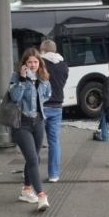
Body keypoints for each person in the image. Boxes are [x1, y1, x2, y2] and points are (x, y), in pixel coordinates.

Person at [9, 48, 52, 211]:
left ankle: (26, 190)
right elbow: (15, 97)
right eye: (29, 62)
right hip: (22, 123)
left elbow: (48, 94)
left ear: (39, 62)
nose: (33, 65)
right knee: (33, 159)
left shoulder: (43, 77)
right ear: (24, 63)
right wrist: (22, 79)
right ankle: (41, 196)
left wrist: (38, 104)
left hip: (38, 121)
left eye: (35, 61)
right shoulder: (16, 77)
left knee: (35, 158)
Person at [40, 39, 69, 183]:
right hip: (57, 105)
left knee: (35, 141)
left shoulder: (40, 63)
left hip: (41, 106)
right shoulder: (63, 65)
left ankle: (31, 172)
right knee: (54, 142)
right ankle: (54, 174)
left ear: (44, 50)